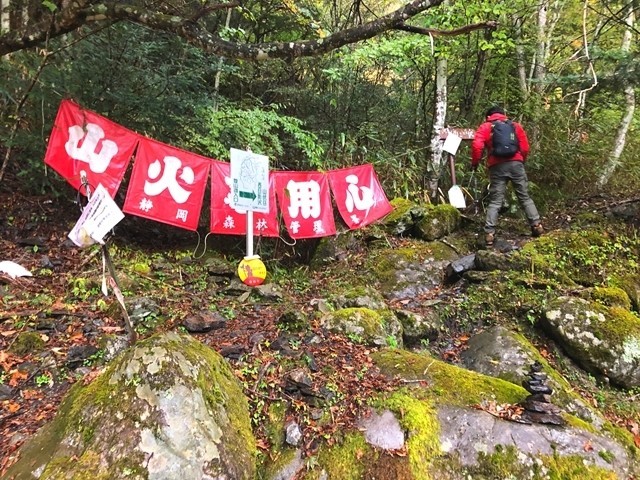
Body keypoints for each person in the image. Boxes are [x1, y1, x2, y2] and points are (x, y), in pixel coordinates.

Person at [471, 106, 543, 246]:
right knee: (524, 196)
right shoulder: (515, 126)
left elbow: (477, 146)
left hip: (497, 166)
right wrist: (521, 160)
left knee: (495, 201)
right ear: (504, 115)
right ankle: (536, 225)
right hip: (516, 164)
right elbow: (525, 147)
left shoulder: (486, 127)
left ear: (488, 116)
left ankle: (489, 233)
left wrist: (475, 163)